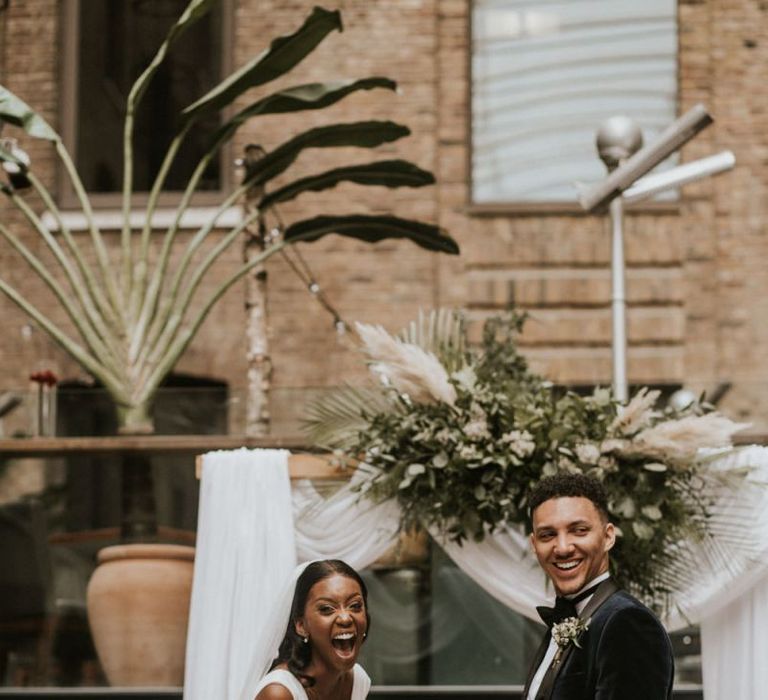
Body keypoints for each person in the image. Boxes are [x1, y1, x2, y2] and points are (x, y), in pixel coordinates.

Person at [523, 473, 674, 700]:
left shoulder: (627, 623)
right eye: (548, 535)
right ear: (534, 545)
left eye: (579, 530)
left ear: (608, 537)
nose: (562, 547)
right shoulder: (567, 620)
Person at [252, 559, 371, 700]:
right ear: (301, 625)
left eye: (355, 605)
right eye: (327, 609)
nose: (345, 618)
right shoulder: (278, 693)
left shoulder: (358, 680)